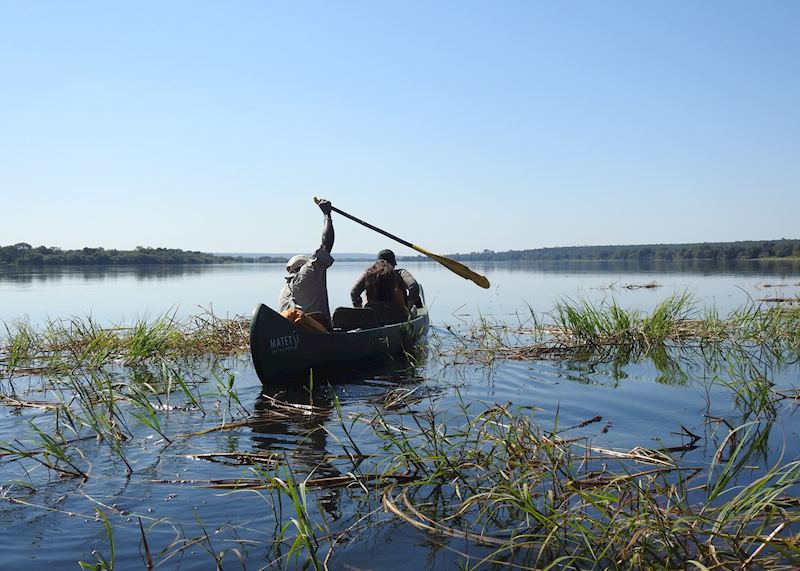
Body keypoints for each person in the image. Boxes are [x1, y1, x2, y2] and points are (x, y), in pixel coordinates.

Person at [278, 199, 334, 330]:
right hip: (316, 334)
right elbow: (326, 246)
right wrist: (327, 215)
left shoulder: (285, 290)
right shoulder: (308, 274)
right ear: (303, 266)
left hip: (292, 333)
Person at [350, 249, 421, 310]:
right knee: (417, 299)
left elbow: (354, 293)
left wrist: (360, 311)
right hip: (399, 315)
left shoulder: (368, 274)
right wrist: (408, 309)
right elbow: (414, 287)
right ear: (393, 263)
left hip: (373, 317)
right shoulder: (401, 273)